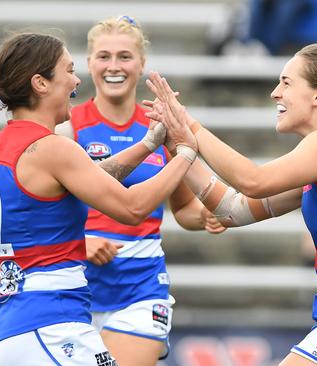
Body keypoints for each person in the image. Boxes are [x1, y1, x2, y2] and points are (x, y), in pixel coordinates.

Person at [145, 43, 317, 365]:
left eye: (286, 83)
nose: (275, 93)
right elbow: (232, 210)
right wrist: (179, 147)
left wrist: (190, 125)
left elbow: (253, 181)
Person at [0, 32, 198, 365]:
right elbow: (132, 207)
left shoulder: (1, 146)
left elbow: (90, 175)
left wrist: (150, 143)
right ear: (40, 83)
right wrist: (185, 153)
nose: (75, 80)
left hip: (12, 327)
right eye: (67, 70)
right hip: (50, 324)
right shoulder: (53, 147)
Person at [55, 16, 225, 366]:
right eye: (104, 56)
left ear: (142, 64)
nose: (113, 66)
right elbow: (40, 209)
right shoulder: (68, 126)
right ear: (89, 64)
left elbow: (185, 210)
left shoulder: (163, 128)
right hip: (75, 289)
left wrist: (208, 216)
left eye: (124, 56)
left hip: (141, 289)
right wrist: (78, 243)